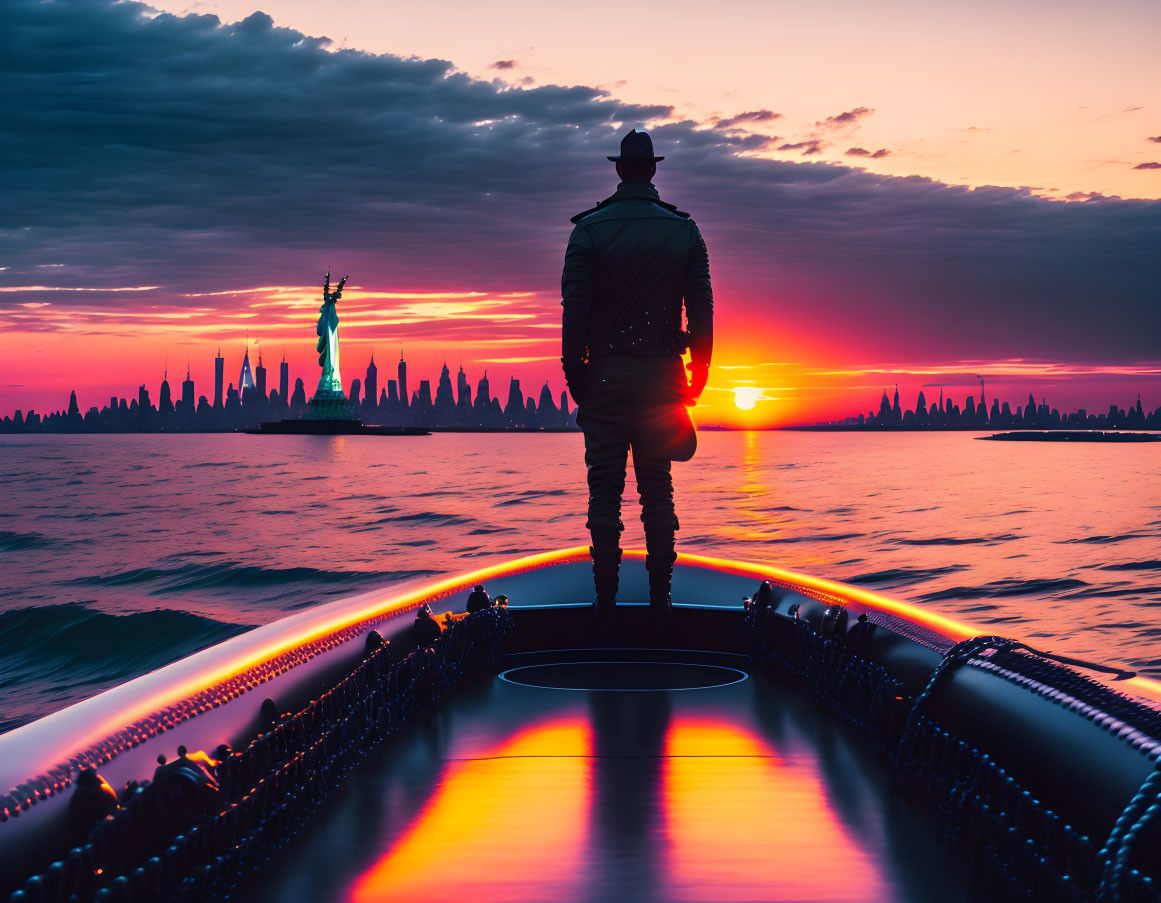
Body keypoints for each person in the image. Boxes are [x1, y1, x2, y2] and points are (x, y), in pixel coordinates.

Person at [561, 128, 714, 623]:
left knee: (603, 487)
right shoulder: (683, 230)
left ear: (620, 170)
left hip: (603, 376)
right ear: (652, 170)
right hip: (662, 380)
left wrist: (576, 378)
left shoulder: (588, 231)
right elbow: (703, 311)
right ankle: (659, 602)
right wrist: (699, 371)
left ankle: (604, 604)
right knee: (657, 485)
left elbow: (574, 313)